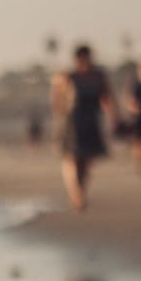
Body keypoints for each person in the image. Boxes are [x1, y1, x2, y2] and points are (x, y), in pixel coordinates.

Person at [51, 42, 114, 212]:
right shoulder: (68, 77)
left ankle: (81, 191)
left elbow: (107, 98)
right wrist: (59, 113)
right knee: (71, 158)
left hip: (91, 121)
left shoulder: (98, 76)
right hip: (72, 122)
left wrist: (114, 117)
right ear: (77, 59)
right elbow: (57, 100)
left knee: (86, 162)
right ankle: (76, 194)